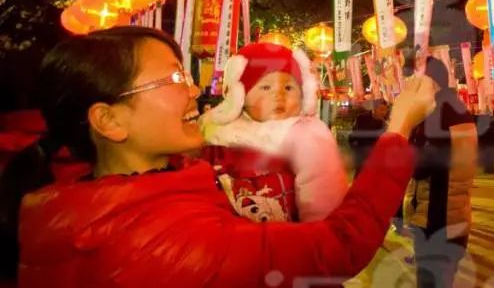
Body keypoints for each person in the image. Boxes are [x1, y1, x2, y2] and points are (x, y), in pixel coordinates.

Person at [0, 26, 437, 286]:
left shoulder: (71, 195)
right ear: (109, 121)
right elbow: (339, 246)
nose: (194, 90)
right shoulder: (170, 245)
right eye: (172, 78)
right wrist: (398, 128)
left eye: (186, 75)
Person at [199, 42, 347, 222]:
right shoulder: (216, 129)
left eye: (288, 88)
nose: (279, 95)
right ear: (240, 95)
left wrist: (319, 235)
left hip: (288, 238)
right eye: (266, 87)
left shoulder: (306, 136)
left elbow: (323, 194)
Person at [405, 57, 478, 288]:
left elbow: (417, 167)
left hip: (436, 217)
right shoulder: (458, 110)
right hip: (456, 213)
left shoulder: (436, 116)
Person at [349, 99, 390, 177]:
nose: (383, 113)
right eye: (381, 109)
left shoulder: (385, 124)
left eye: (385, 110)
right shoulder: (361, 119)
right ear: (374, 108)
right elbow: (352, 138)